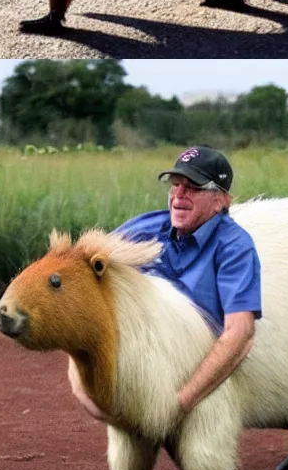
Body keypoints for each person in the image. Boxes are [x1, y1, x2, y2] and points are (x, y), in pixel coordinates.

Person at [69, 145, 259, 427]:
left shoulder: (235, 247)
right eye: (175, 185)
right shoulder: (143, 230)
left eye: (193, 187)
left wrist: (180, 404)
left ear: (221, 200)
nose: (179, 195)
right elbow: (84, 286)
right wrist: (83, 389)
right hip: (143, 364)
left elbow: (240, 332)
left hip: (194, 367)